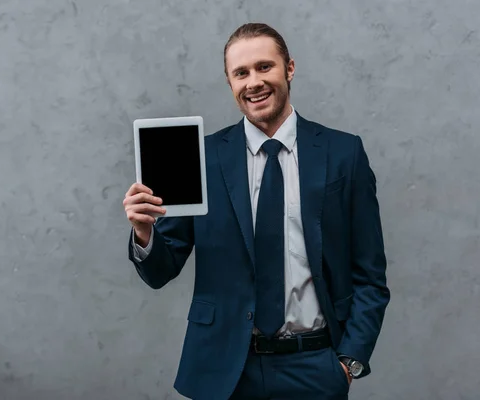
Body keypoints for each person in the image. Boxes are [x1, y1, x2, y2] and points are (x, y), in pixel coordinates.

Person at [123, 22, 390, 400]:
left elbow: (370, 275)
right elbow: (160, 272)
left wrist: (349, 363)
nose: (254, 82)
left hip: (315, 366)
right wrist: (144, 232)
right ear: (230, 81)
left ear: (289, 68)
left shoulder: (343, 154)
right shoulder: (200, 158)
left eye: (265, 67)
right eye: (241, 73)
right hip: (224, 371)